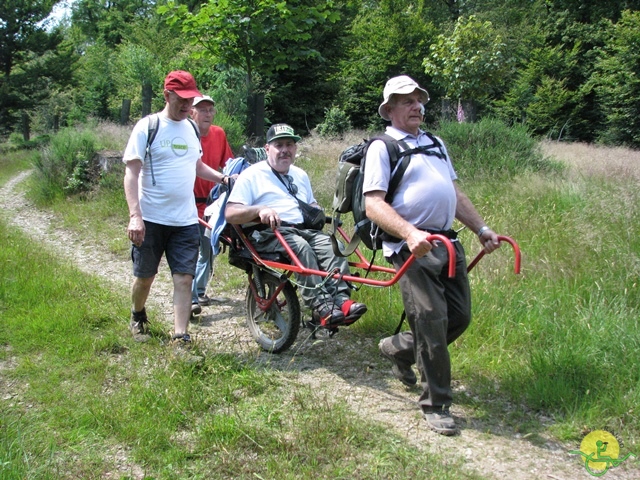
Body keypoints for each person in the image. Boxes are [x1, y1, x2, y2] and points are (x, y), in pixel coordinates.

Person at [363, 75, 501, 435]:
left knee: (458, 316)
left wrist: (482, 229)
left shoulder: (436, 143)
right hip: (412, 247)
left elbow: (454, 193)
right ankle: (436, 404)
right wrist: (409, 233)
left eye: (419, 99)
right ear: (389, 109)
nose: (416, 106)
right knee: (431, 320)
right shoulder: (382, 146)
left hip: (447, 243)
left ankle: (398, 349)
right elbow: (373, 204)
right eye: (406, 100)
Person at [123, 70, 230, 346]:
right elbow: (132, 173)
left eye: (190, 100)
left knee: (184, 278)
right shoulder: (147, 127)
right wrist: (135, 216)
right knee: (144, 278)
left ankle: (180, 336)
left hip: (185, 221)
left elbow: (196, 166)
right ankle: (137, 314)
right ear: (166, 95)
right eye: (181, 99)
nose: (187, 105)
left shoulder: (191, 128)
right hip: (152, 219)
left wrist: (222, 177)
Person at [225, 123, 367, 327]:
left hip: (302, 229)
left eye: (290, 144)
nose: (285, 150)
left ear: (295, 148)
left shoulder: (300, 175)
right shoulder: (252, 175)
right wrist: (259, 210)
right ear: (267, 149)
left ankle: (341, 300)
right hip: (267, 232)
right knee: (301, 248)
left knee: (334, 247)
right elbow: (231, 213)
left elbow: (310, 204)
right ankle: (321, 305)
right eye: (279, 145)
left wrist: (317, 212)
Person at [189, 95, 234, 316]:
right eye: (202, 110)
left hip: (213, 204)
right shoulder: (185, 135)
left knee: (209, 250)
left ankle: (198, 291)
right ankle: (193, 296)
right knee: (197, 251)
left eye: (210, 110)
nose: (207, 113)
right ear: (192, 113)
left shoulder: (219, 134)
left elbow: (228, 165)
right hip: (189, 204)